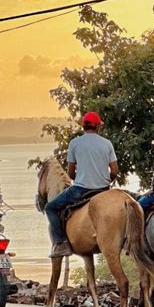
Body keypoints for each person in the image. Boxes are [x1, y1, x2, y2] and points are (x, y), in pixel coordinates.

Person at [45, 111, 118, 258]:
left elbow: (70, 173)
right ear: (98, 127)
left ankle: (61, 243)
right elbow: (115, 171)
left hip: (80, 190)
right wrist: (104, 181)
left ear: (83, 127)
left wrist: (81, 176)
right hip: (104, 190)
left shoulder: (75, 143)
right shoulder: (107, 143)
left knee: (50, 208)